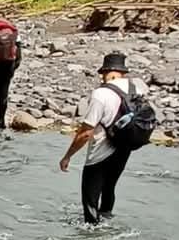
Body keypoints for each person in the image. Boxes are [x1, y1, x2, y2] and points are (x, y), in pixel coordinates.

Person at [59, 53, 152, 224]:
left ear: (110, 72)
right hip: (124, 147)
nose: (102, 77)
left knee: (90, 198)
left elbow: (86, 132)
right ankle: (107, 221)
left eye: (103, 73)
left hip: (101, 151)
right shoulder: (136, 88)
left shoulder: (101, 94)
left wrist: (68, 156)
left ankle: (91, 232)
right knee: (109, 187)